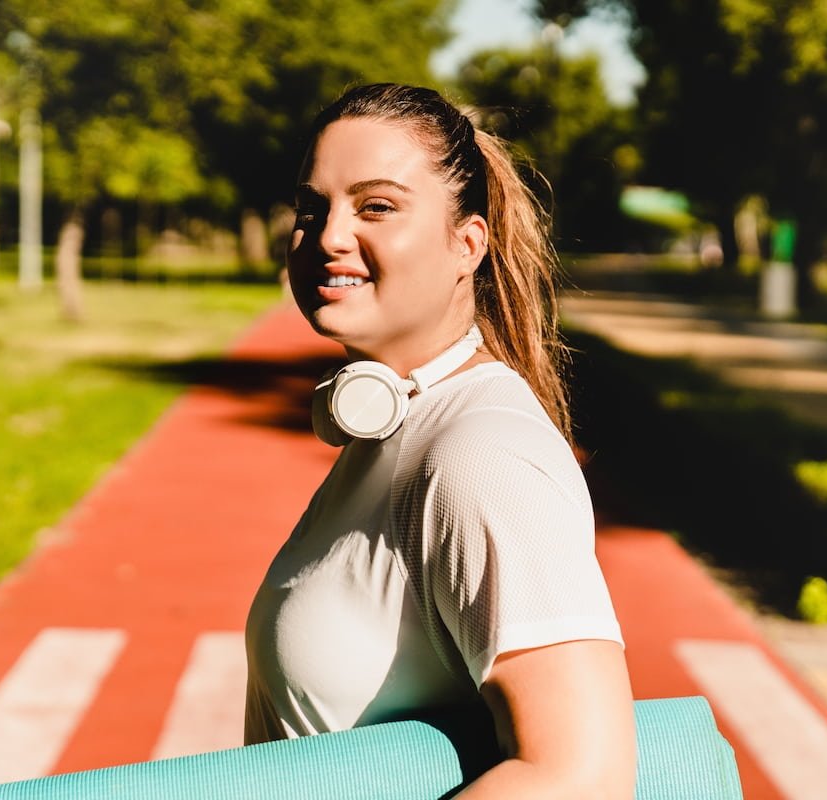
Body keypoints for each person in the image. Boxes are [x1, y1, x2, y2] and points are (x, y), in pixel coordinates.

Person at [244, 83, 636, 797]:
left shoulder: (481, 454)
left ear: (468, 244)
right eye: (312, 207)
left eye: (376, 206)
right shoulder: (398, 423)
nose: (329, 234)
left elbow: (582, 776)